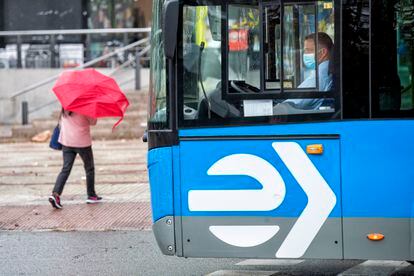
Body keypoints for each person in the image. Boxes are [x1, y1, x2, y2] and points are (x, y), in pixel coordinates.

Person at [48, 109, 101, 209]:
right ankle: (91, 195)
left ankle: (55, 194)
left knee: (65, 169)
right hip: (82, 142)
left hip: (67, 142)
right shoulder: (85, 108)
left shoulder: (65, 107)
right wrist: (94, 112)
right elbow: (93, 122)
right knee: (89, 168)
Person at [285, 32, 334, 110]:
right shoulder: (326, 72)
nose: (305, 54)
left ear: (323, 52)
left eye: (308, 50)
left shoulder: (318, 78)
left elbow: (291, 105)